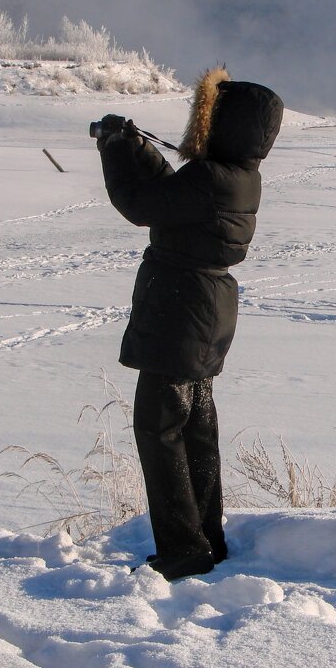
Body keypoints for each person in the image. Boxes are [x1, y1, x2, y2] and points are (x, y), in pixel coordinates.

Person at [94, 66, 283, 581]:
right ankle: (207, 541)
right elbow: (173, 198)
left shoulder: (211, 178)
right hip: (205, 310)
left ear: (224, 124)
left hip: (183, 309)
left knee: (159, 429)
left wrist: (113, 147)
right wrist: (138, 148)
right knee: (195, 427)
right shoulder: (237, 176)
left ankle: (183, 549)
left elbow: (141, 205)